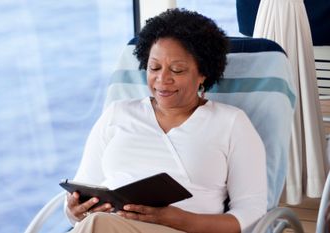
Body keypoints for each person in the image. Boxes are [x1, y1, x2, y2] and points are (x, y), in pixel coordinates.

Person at [64, 8, 267, 233]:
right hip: (109, 226)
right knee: (95, 222)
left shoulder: (231, 123)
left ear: (203, 74)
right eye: (154, 67)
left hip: (185, 229)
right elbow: (83, 193)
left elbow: (251, 213)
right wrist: (74, 211)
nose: (162, 79)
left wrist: (181, 220)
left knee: (97, 224)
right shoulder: (117, 114)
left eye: (177, 70)